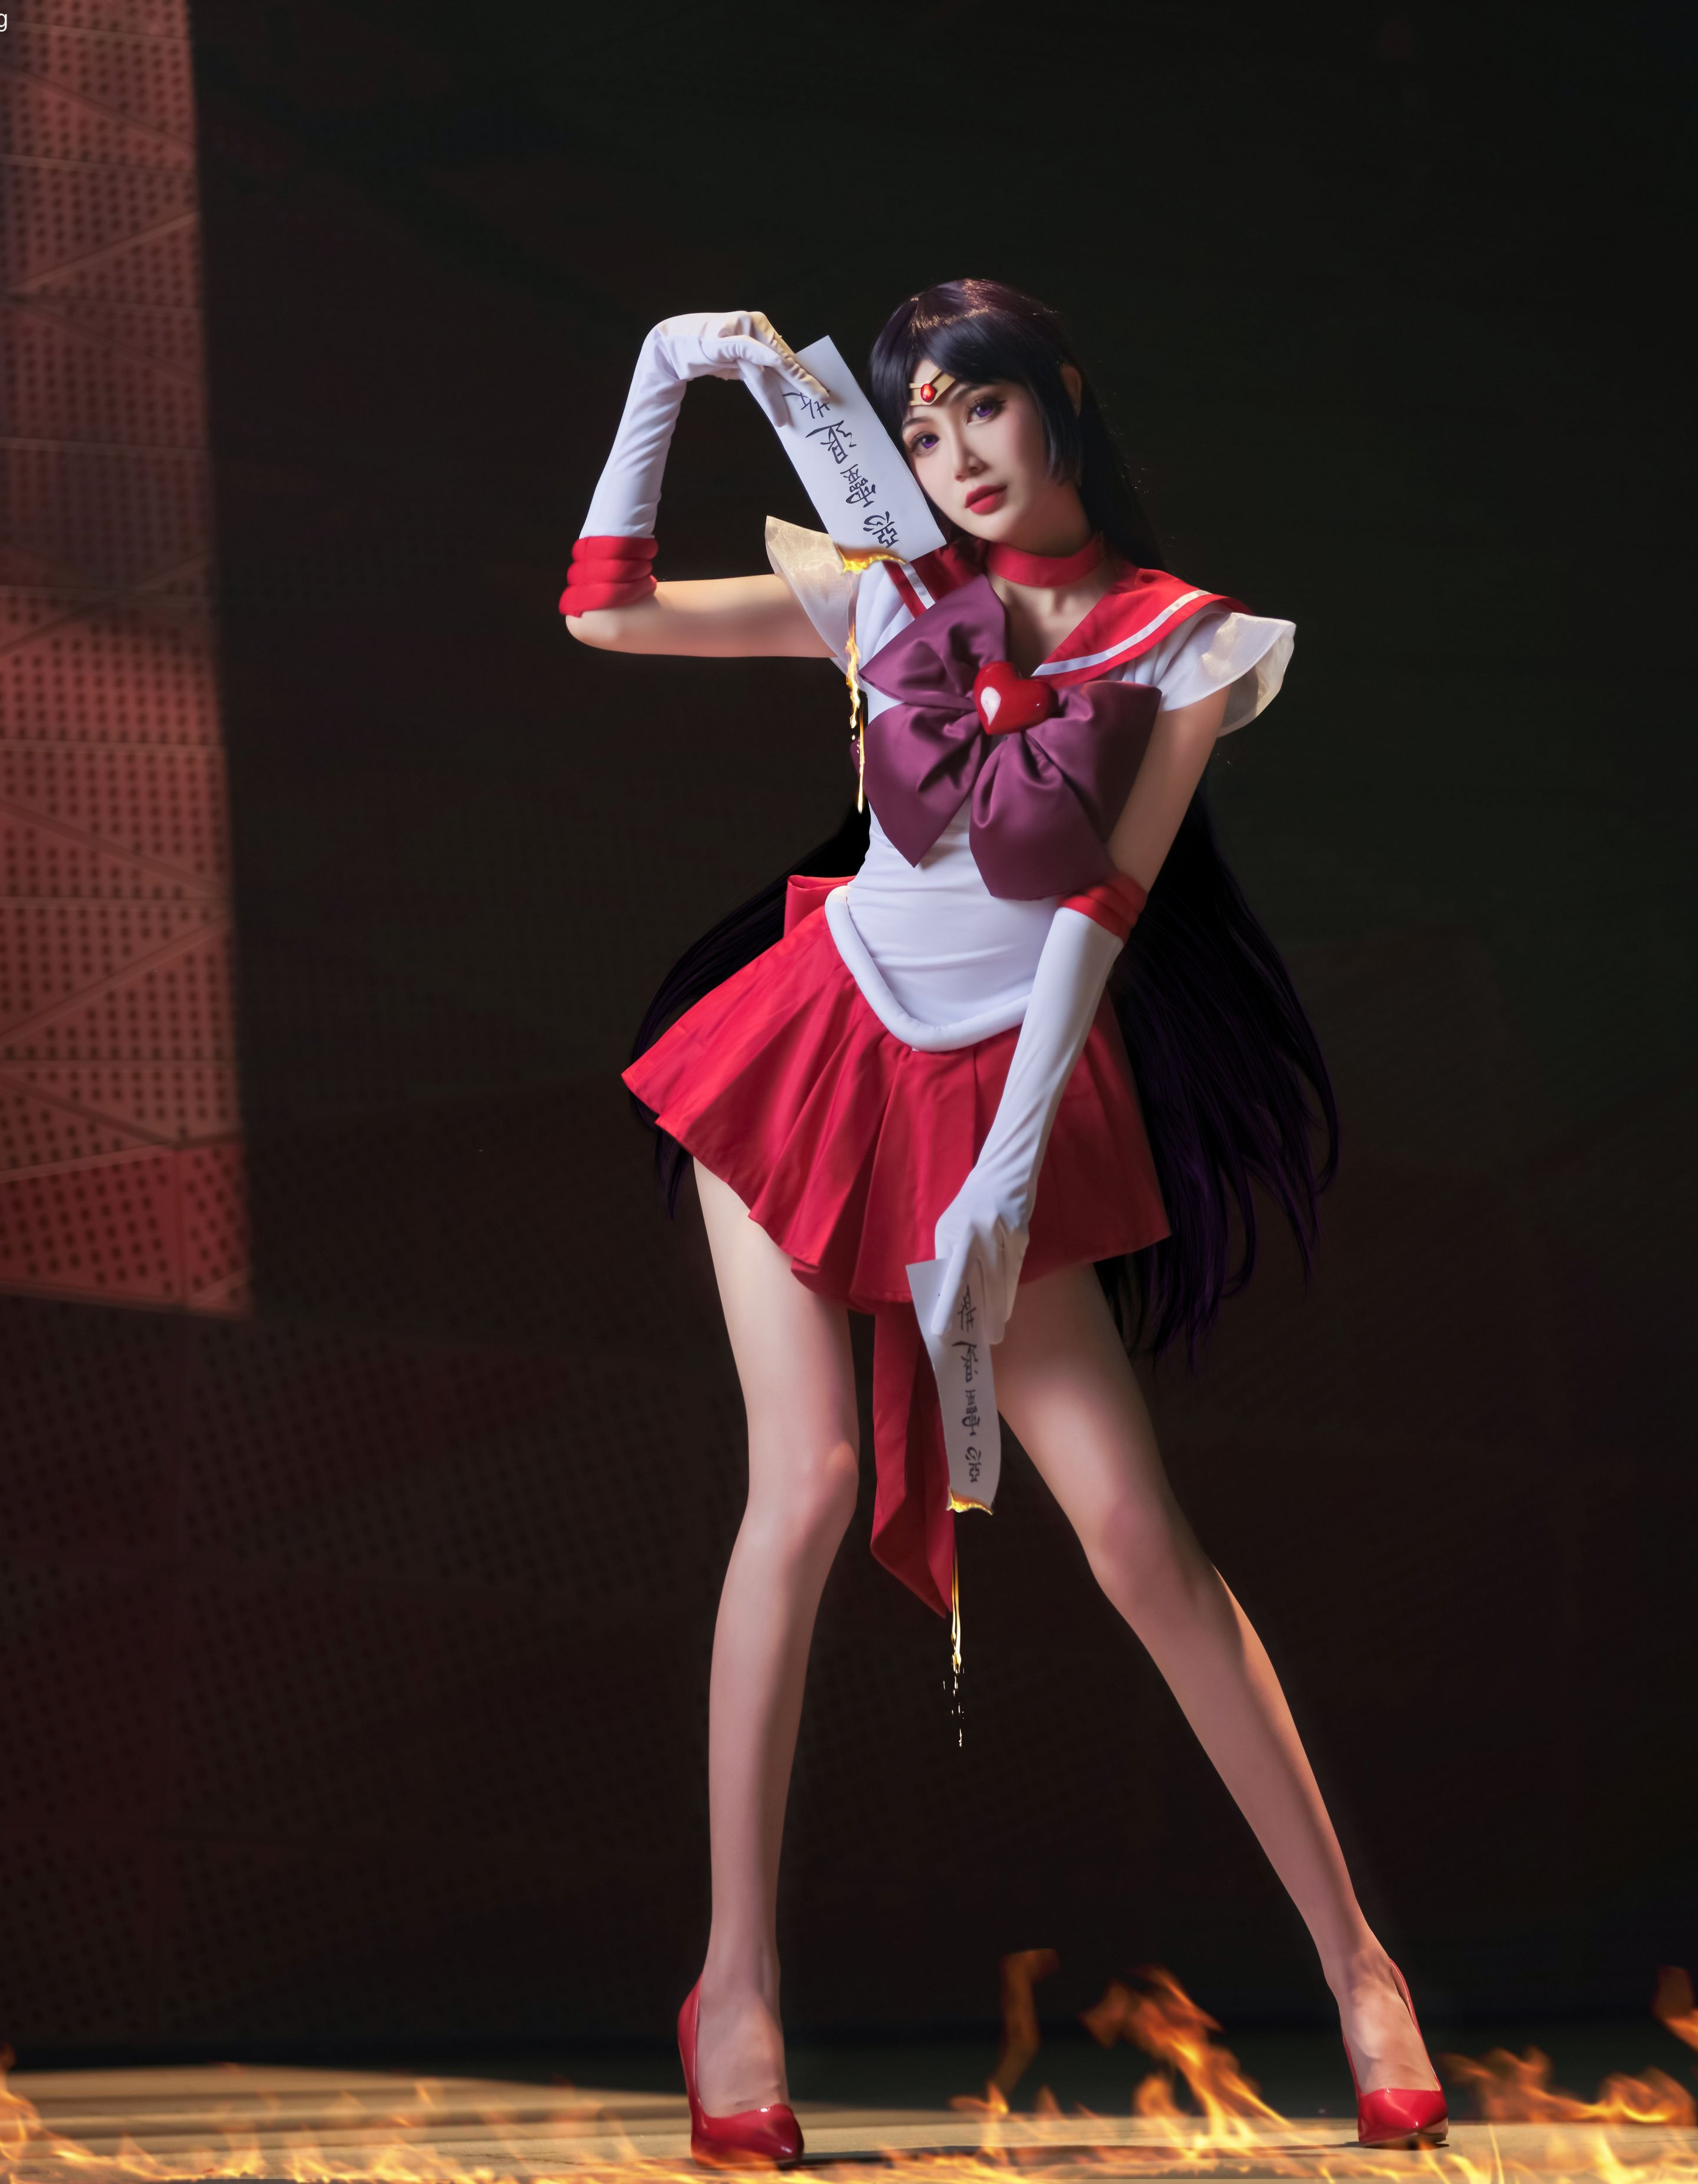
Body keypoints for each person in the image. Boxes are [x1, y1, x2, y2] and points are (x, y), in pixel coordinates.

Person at [559, 279, 1447, 2166]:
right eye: (923, 426)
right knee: (793, 1486)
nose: (955, 459)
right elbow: (604, 611)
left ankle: (1361, 1964)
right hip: (808, 1054)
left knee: (1133, 1532)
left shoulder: (1182, 644)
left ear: (1062, 404)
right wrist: (662, 378)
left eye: (984, 412)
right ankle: (737, 1988)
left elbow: (1101, 912)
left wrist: (1009, 1168)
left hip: (1006, 1093)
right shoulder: (879, 585)